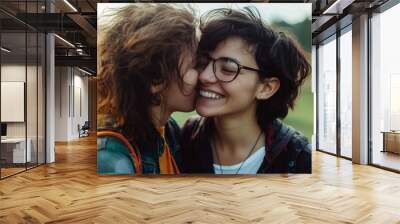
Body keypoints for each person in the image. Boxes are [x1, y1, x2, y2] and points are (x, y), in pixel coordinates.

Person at [181, 7, 311, 174]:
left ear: (266, 88)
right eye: (203, 61)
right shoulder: (183, 139)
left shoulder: (299, 158)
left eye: (227, 68)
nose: (205, 76)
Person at [97, 4, 198, 174]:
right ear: (156, 79)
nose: (204, 75)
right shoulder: (111, 158)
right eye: (195, 66)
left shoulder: (168, 129)